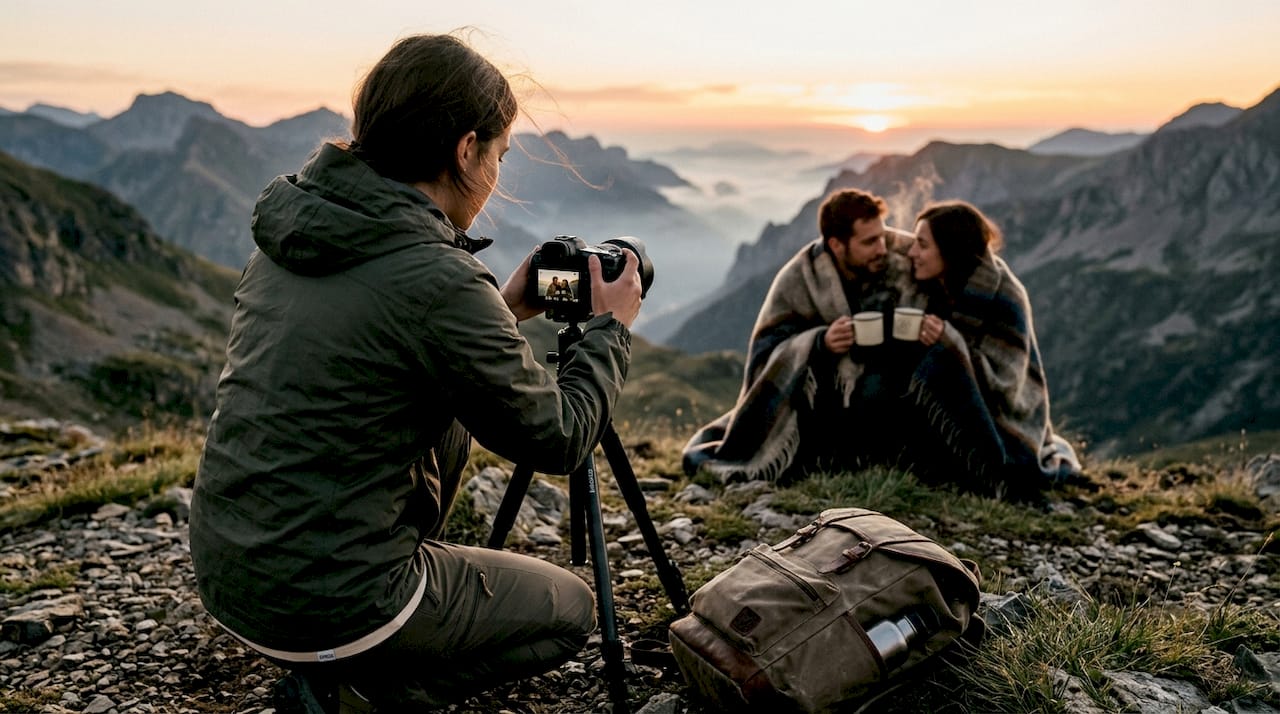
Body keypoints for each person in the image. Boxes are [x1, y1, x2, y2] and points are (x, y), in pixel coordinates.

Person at [188, 33, 643, 712]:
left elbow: (378, 338)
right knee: (570, 610)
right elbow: (558, 438)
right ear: (465, 151)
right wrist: (611, 330)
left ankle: (343, 671)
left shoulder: (296, 234)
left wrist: (505, 308)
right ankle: (359, 697)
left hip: (231, 574)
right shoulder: (435, 278)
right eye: (499, 155)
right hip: (340, 599)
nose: (495, 176)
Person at [682, 188, 925, 483]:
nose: (882, 249)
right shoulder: (799, 279)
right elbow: (766, 354)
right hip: (823, 401)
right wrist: (820, 343)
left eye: (882, 237)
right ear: (837, 245)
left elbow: (945, 255)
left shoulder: (894, 261)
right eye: (870, 242)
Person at [905, 199, 1079, 498]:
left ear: (950, 250)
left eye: (922, 245)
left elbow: (1006, 383)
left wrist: (949, 341)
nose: (912, 253)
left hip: (1005, 417)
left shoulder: (1005, 297)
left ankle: (986, 473)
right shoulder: (939, 283)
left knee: (941, 364)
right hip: (970, 410)